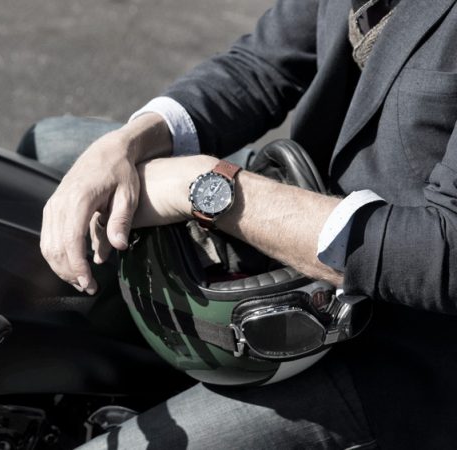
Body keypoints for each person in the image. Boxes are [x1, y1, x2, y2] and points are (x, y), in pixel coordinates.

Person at [26, 0, 457, 448]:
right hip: (308, 190)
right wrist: (126, 144)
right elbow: (262, 64)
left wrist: (202, 186)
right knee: (49, 145)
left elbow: (443, 253)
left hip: (401, 351)